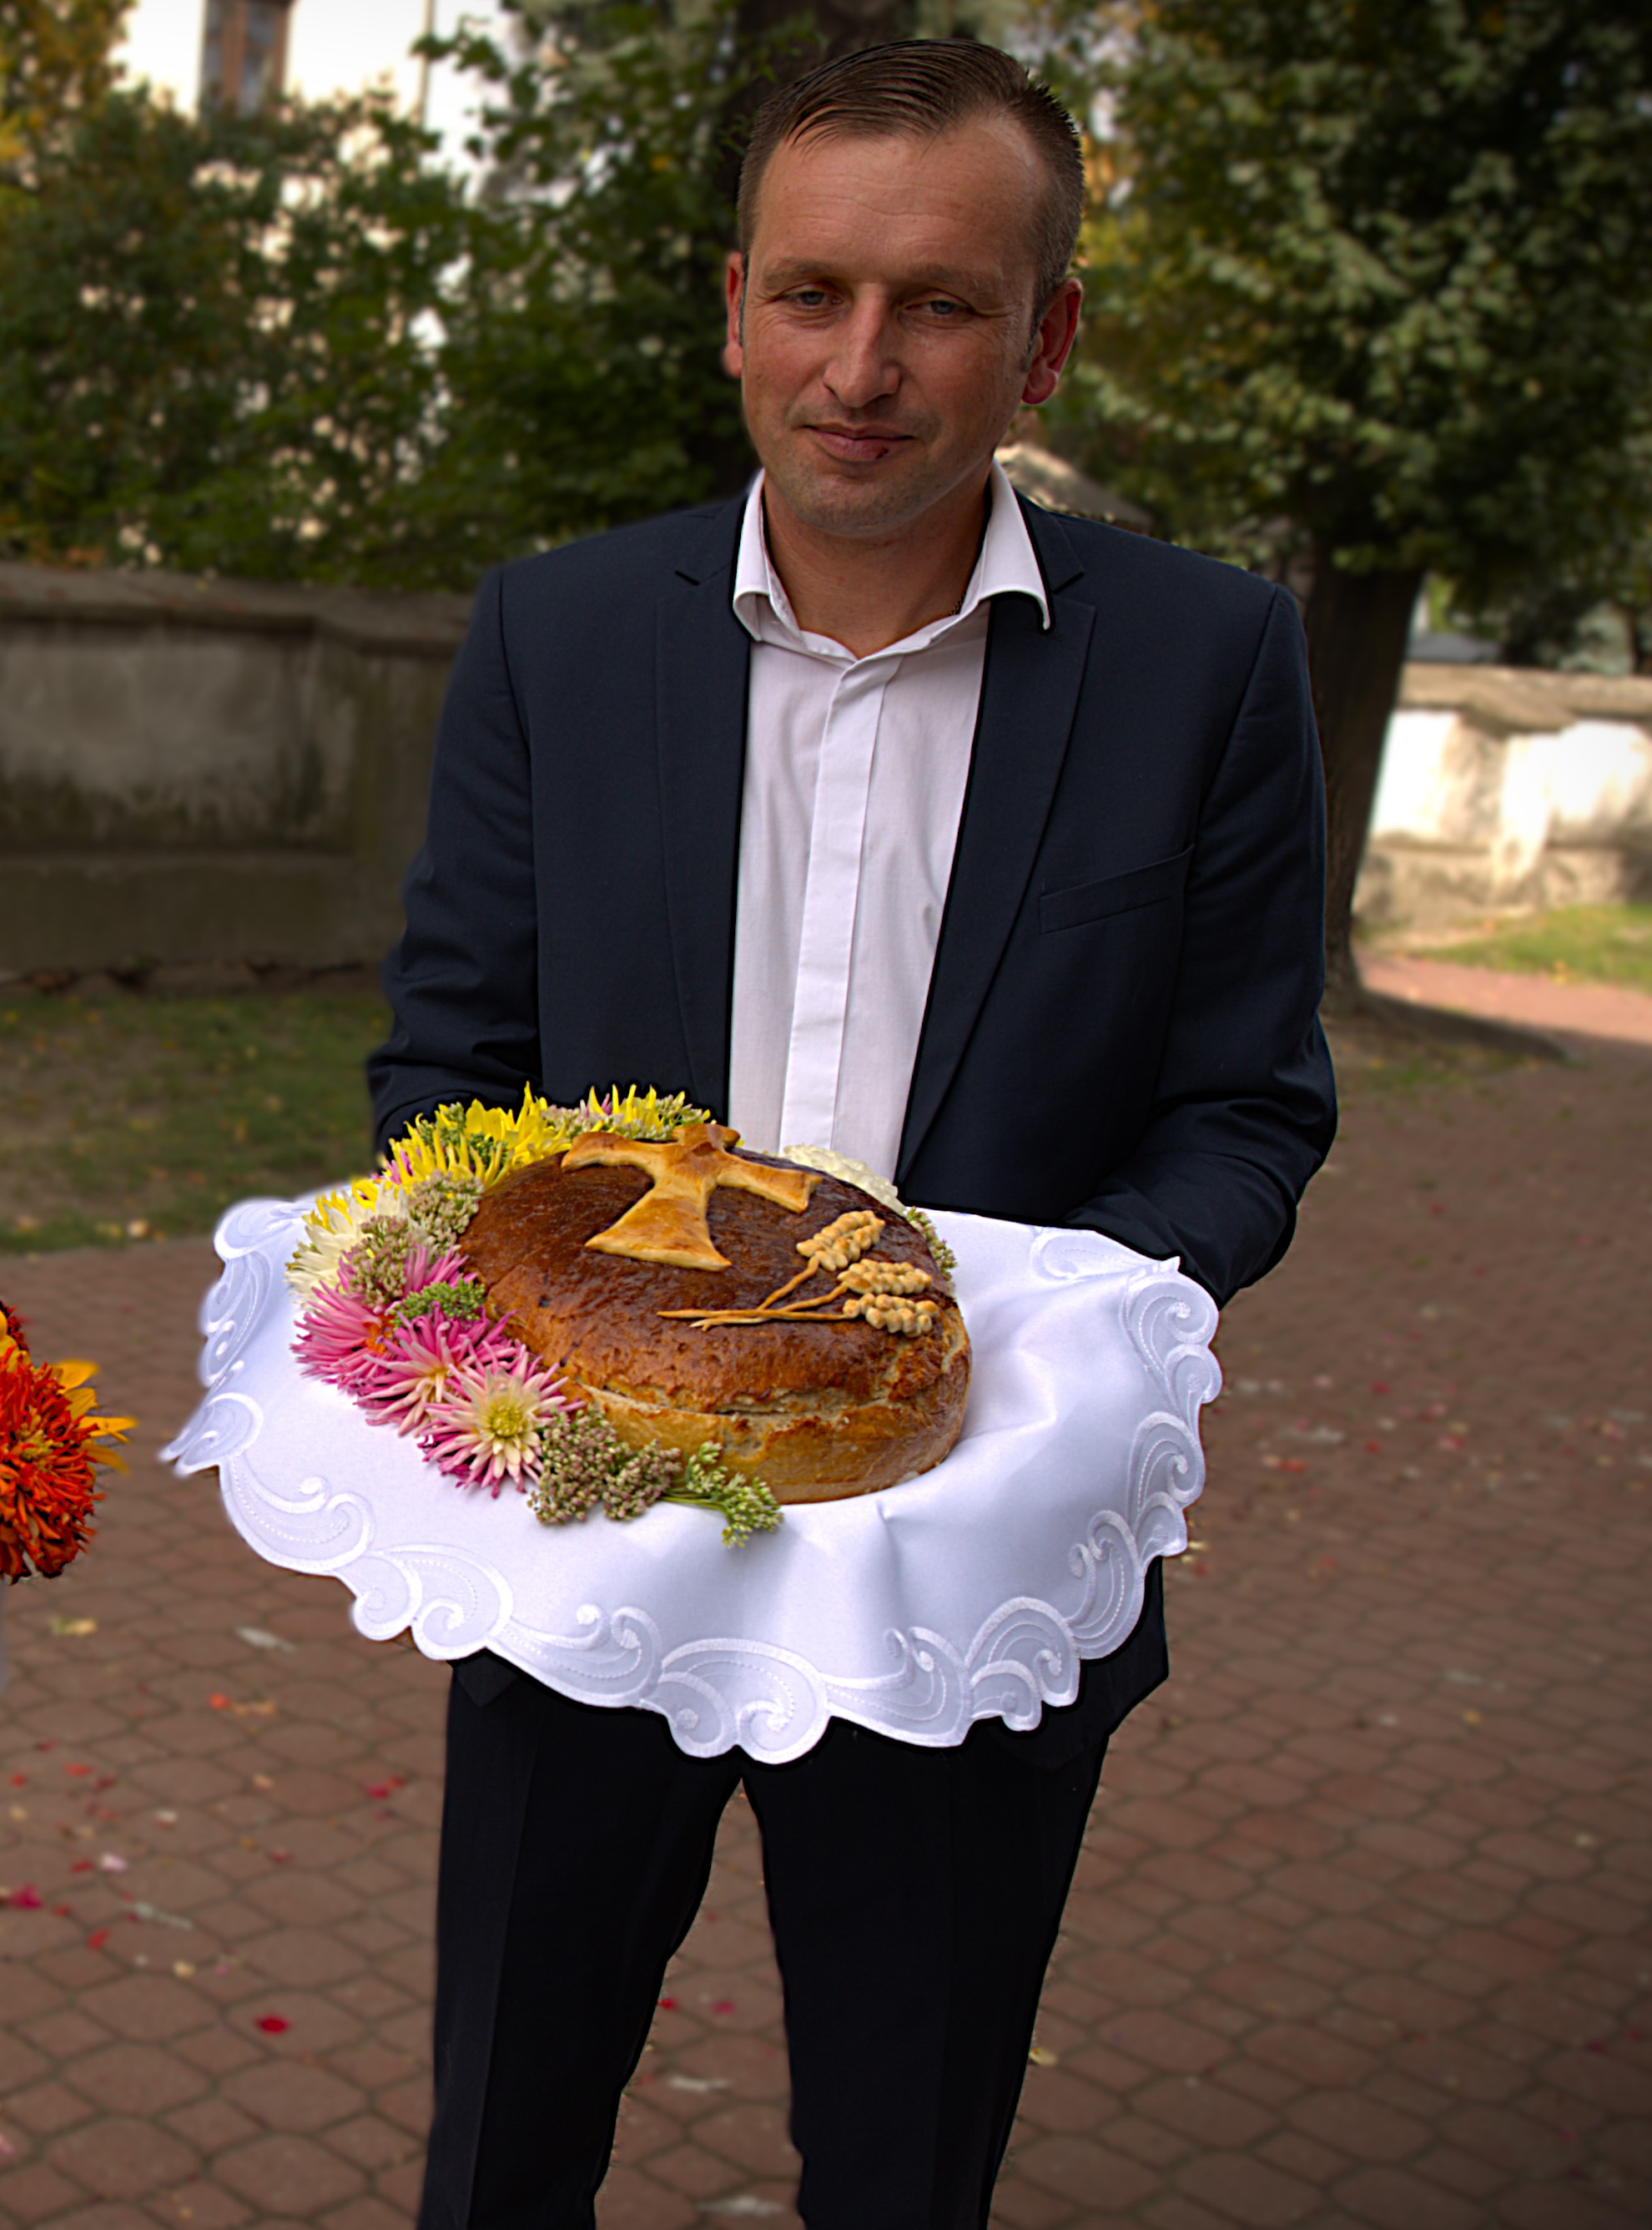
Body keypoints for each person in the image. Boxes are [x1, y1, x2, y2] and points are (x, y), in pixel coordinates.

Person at [371, 39, 1336, 2230]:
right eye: (812, 292)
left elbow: (1249, 1112)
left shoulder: (1207, 663)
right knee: (501, 2153)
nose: (862, 367)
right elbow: (448, 1080)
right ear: (736, 309)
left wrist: (1043, 1344)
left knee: (906, 2175)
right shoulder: (556, 635)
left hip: (970, 1573)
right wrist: (529, 1377)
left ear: (1045, 339)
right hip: (597, 1543)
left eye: (940, 305)